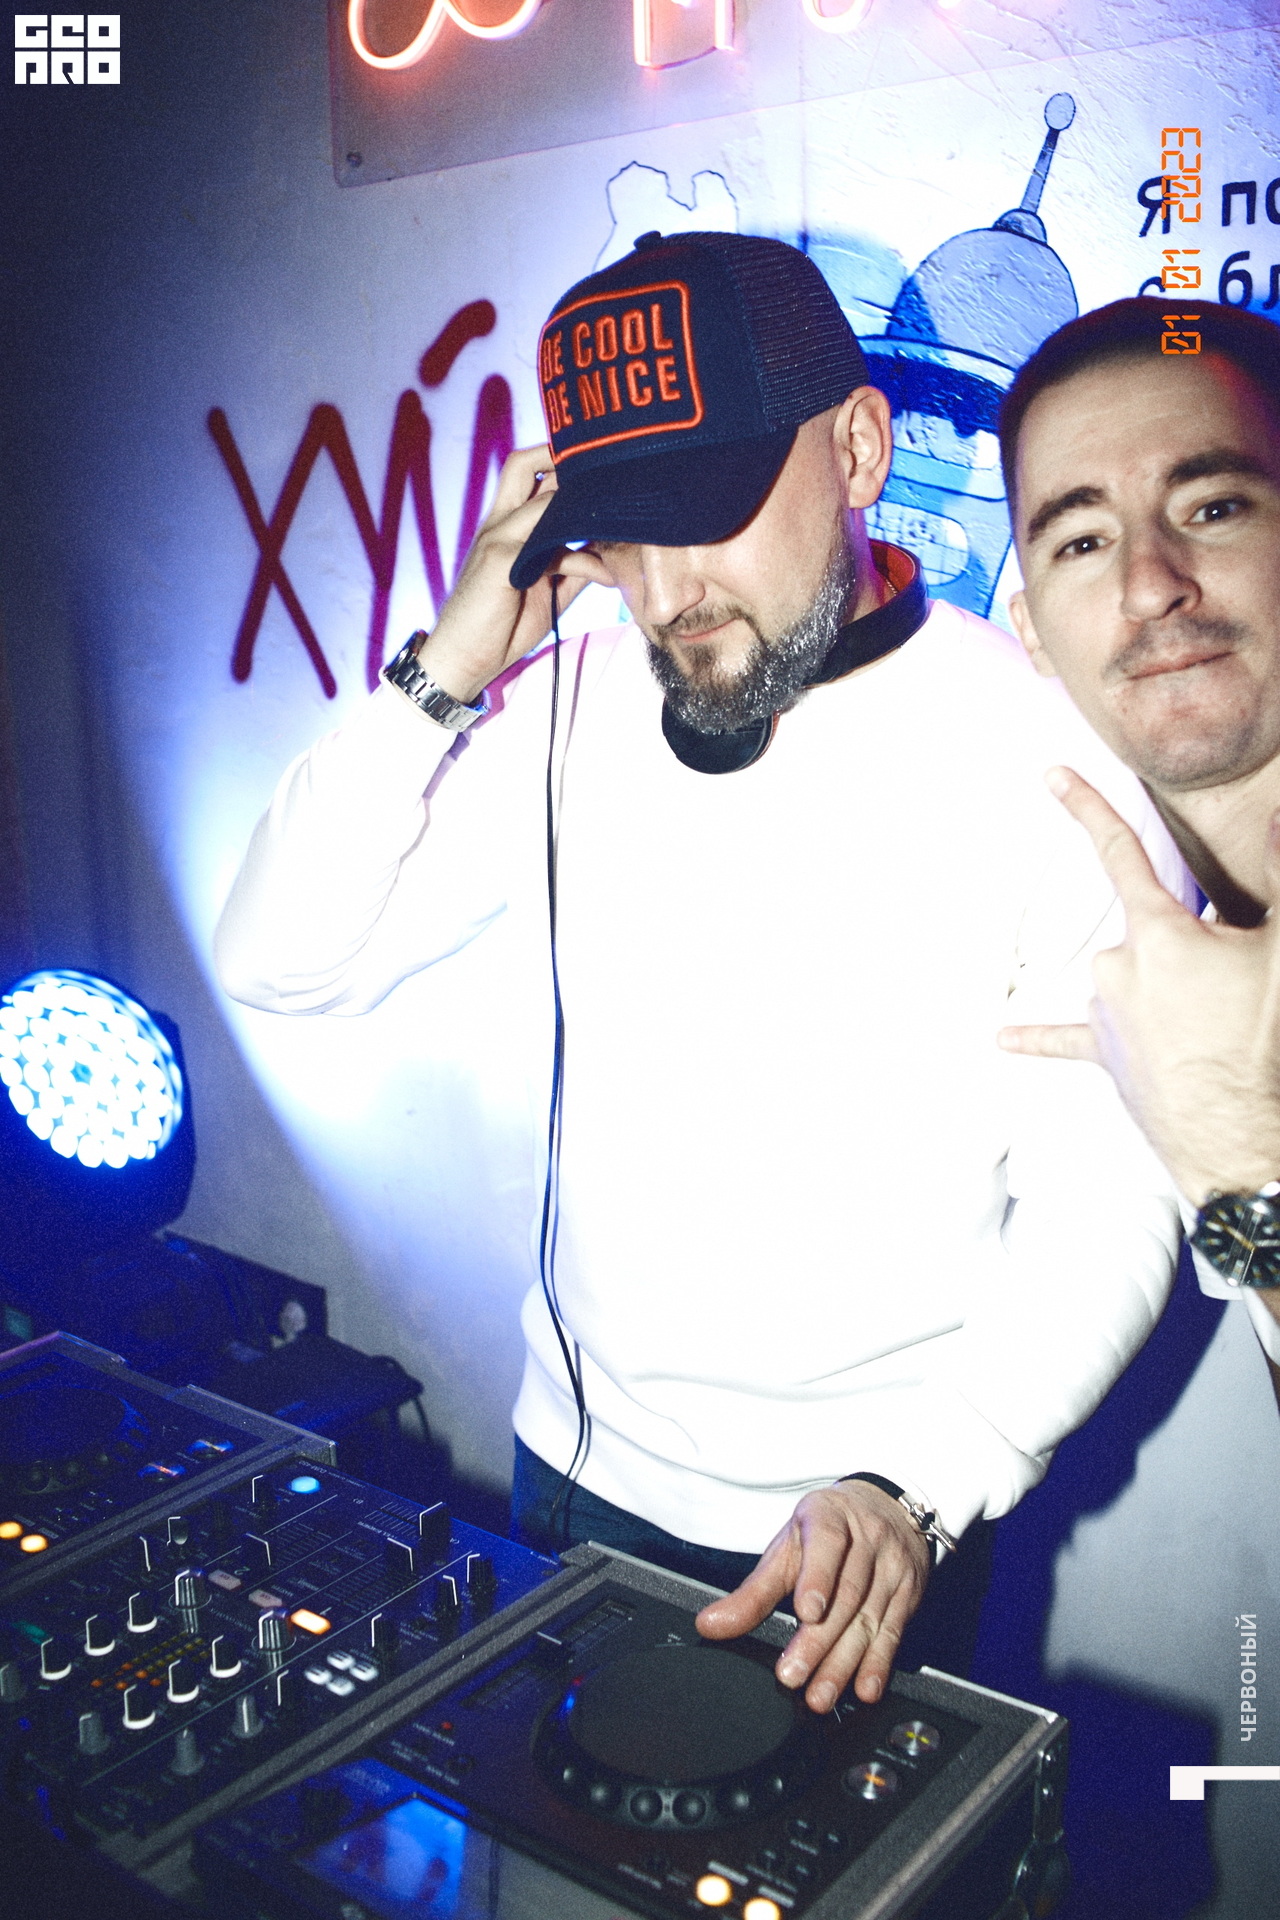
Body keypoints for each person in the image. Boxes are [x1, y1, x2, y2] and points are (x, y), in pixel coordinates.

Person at [216, 233, 1187, 1714]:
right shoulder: (564, 705)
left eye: (710, 514)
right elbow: (279, 962)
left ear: (856, 448)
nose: (670, 593)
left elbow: (1111, 1192)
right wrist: (445, 672)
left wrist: (929, 1482)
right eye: (623, 534)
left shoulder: (1046, 762)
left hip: (865, 1532)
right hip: (569, 1470)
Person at [996, 297, 1280, 1404]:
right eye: (1081, 540)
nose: (1150, 583)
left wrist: (1239, 1151)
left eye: (1212, 506)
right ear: (1031, 629)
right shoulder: (1195, 960)